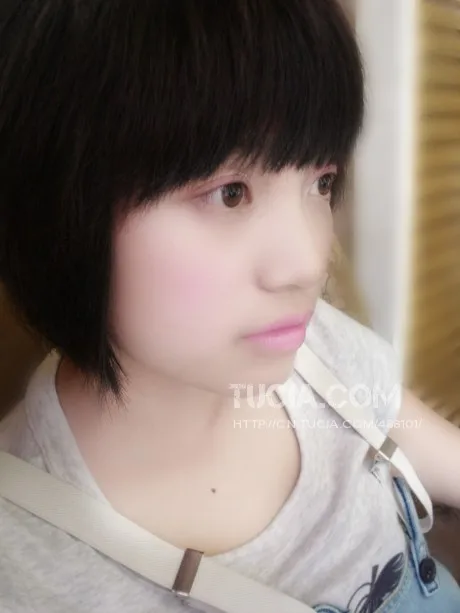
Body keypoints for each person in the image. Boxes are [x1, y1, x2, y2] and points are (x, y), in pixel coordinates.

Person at [0, 1, 459, 611]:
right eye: (231, 193)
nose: (309, 263)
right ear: (59, 204)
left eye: (320, 182)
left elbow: (424, 440)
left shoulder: (317, 351)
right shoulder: (26, 565)